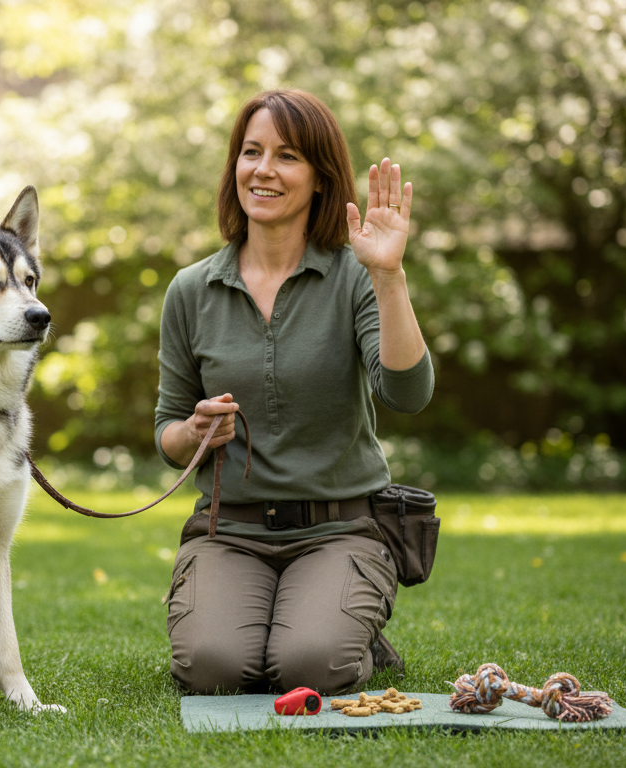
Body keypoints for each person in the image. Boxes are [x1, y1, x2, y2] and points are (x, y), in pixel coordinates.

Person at [154, 89, 434, 696]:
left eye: (287, 156)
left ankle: (338, 626)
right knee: (213, 670)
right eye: (251, 152)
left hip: (339, 529)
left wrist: (388, 275)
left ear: (320, 178)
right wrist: (195, 431)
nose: (264, 170)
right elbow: (168, 434)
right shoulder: (191, 290)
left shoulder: (356, 275)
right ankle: (291, 621)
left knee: (310, 667)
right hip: (229, 532)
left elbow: (409, 394)